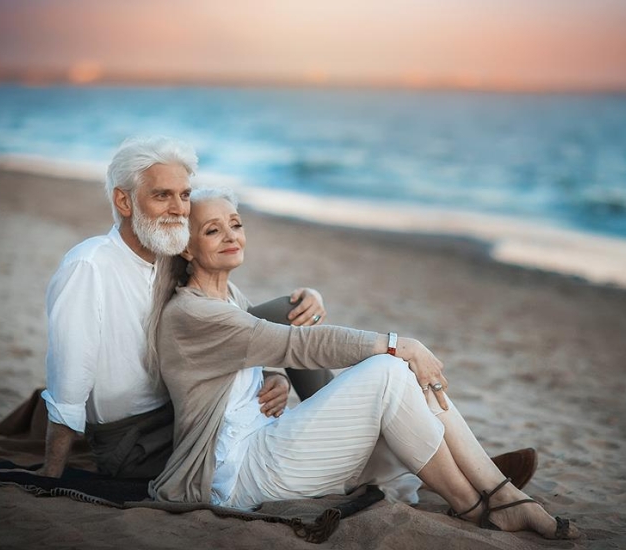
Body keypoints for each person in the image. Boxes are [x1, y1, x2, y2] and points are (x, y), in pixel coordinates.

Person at [145, 188, 578, 539]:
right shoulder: (192, 314)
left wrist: (274, 376)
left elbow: (254, 347)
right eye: (213, 231)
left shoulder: (228, 298)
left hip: (266, 441)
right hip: (237, 475)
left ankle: (496, 495)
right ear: (186, 249)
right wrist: (399, 344)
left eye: (235, 225)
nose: (231, 236)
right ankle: (478, 503)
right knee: (389, 371)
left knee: (400, 396)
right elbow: (298, 344)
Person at [39, 136, 331, 479]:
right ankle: (331, 443)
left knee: (291, 310)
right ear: (124, 201)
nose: (179, 208)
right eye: (162, 195)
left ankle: (331, 429)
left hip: (189, 407)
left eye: (185, 195)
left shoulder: (174, 254)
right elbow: (69, 389)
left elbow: (241, 327)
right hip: (138, 441)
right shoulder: (89, 266)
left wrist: (272, 375)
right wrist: (49, 477)